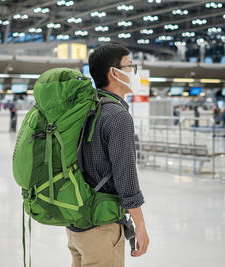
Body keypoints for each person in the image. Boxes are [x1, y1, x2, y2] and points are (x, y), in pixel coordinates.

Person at [66, 44, 149, 267]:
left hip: (77, 223)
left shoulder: (87, 108)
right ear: (114, 72)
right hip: (101, 227)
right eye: (130, 66)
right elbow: (126, 178)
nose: (134, 72)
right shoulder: (117, 116)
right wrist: (140, 226)